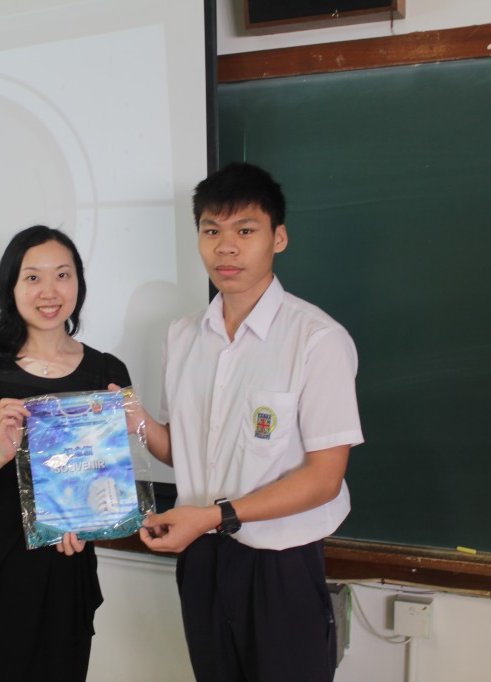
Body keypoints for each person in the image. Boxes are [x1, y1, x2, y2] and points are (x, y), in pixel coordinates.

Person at [135, 162, 364, 682]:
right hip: (201, 557)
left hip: (280, 565)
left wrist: (214, 516)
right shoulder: (182, 335)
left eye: (245, 231)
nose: (226, 248)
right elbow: (184, 452)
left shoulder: (317, 340)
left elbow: (325, 479)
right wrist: (135, 420)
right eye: (211, 231)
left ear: (278, 238)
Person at [0, 225, 131, 682]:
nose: (49, 291)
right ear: (11, 286)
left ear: (78, 283)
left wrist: (91, 521)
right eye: (32, 277)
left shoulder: (106, 374)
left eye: (62, 275)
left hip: (66, 561)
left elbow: (110, 481)